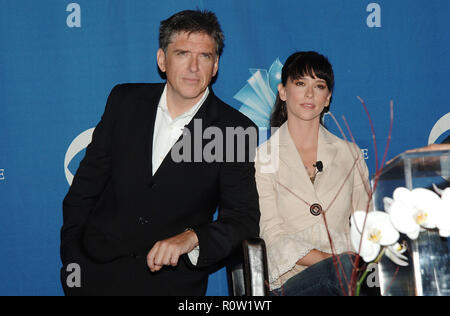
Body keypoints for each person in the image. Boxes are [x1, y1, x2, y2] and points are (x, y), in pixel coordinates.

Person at [60, 10, 260, 296]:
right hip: (94, 276)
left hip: (172, 285)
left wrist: (192, 238)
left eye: (204, 56)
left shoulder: (233, 129)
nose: (193, 67)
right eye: (182, 54)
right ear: (162, 60)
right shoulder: (125, 102)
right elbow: (83, 191)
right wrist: (73, 261)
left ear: (215, 65)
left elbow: (243, 221)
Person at [255, 51, 372, 296]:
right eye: (300, 83)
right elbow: (272, 236)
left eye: (319, 86)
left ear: (327, 98)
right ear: (283, 92)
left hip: (349, 277)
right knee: (343, 271)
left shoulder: (350, 154)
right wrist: (333, 260)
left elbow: (367, 226)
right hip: (290, 280)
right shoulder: (263, 157)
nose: (309, 94)